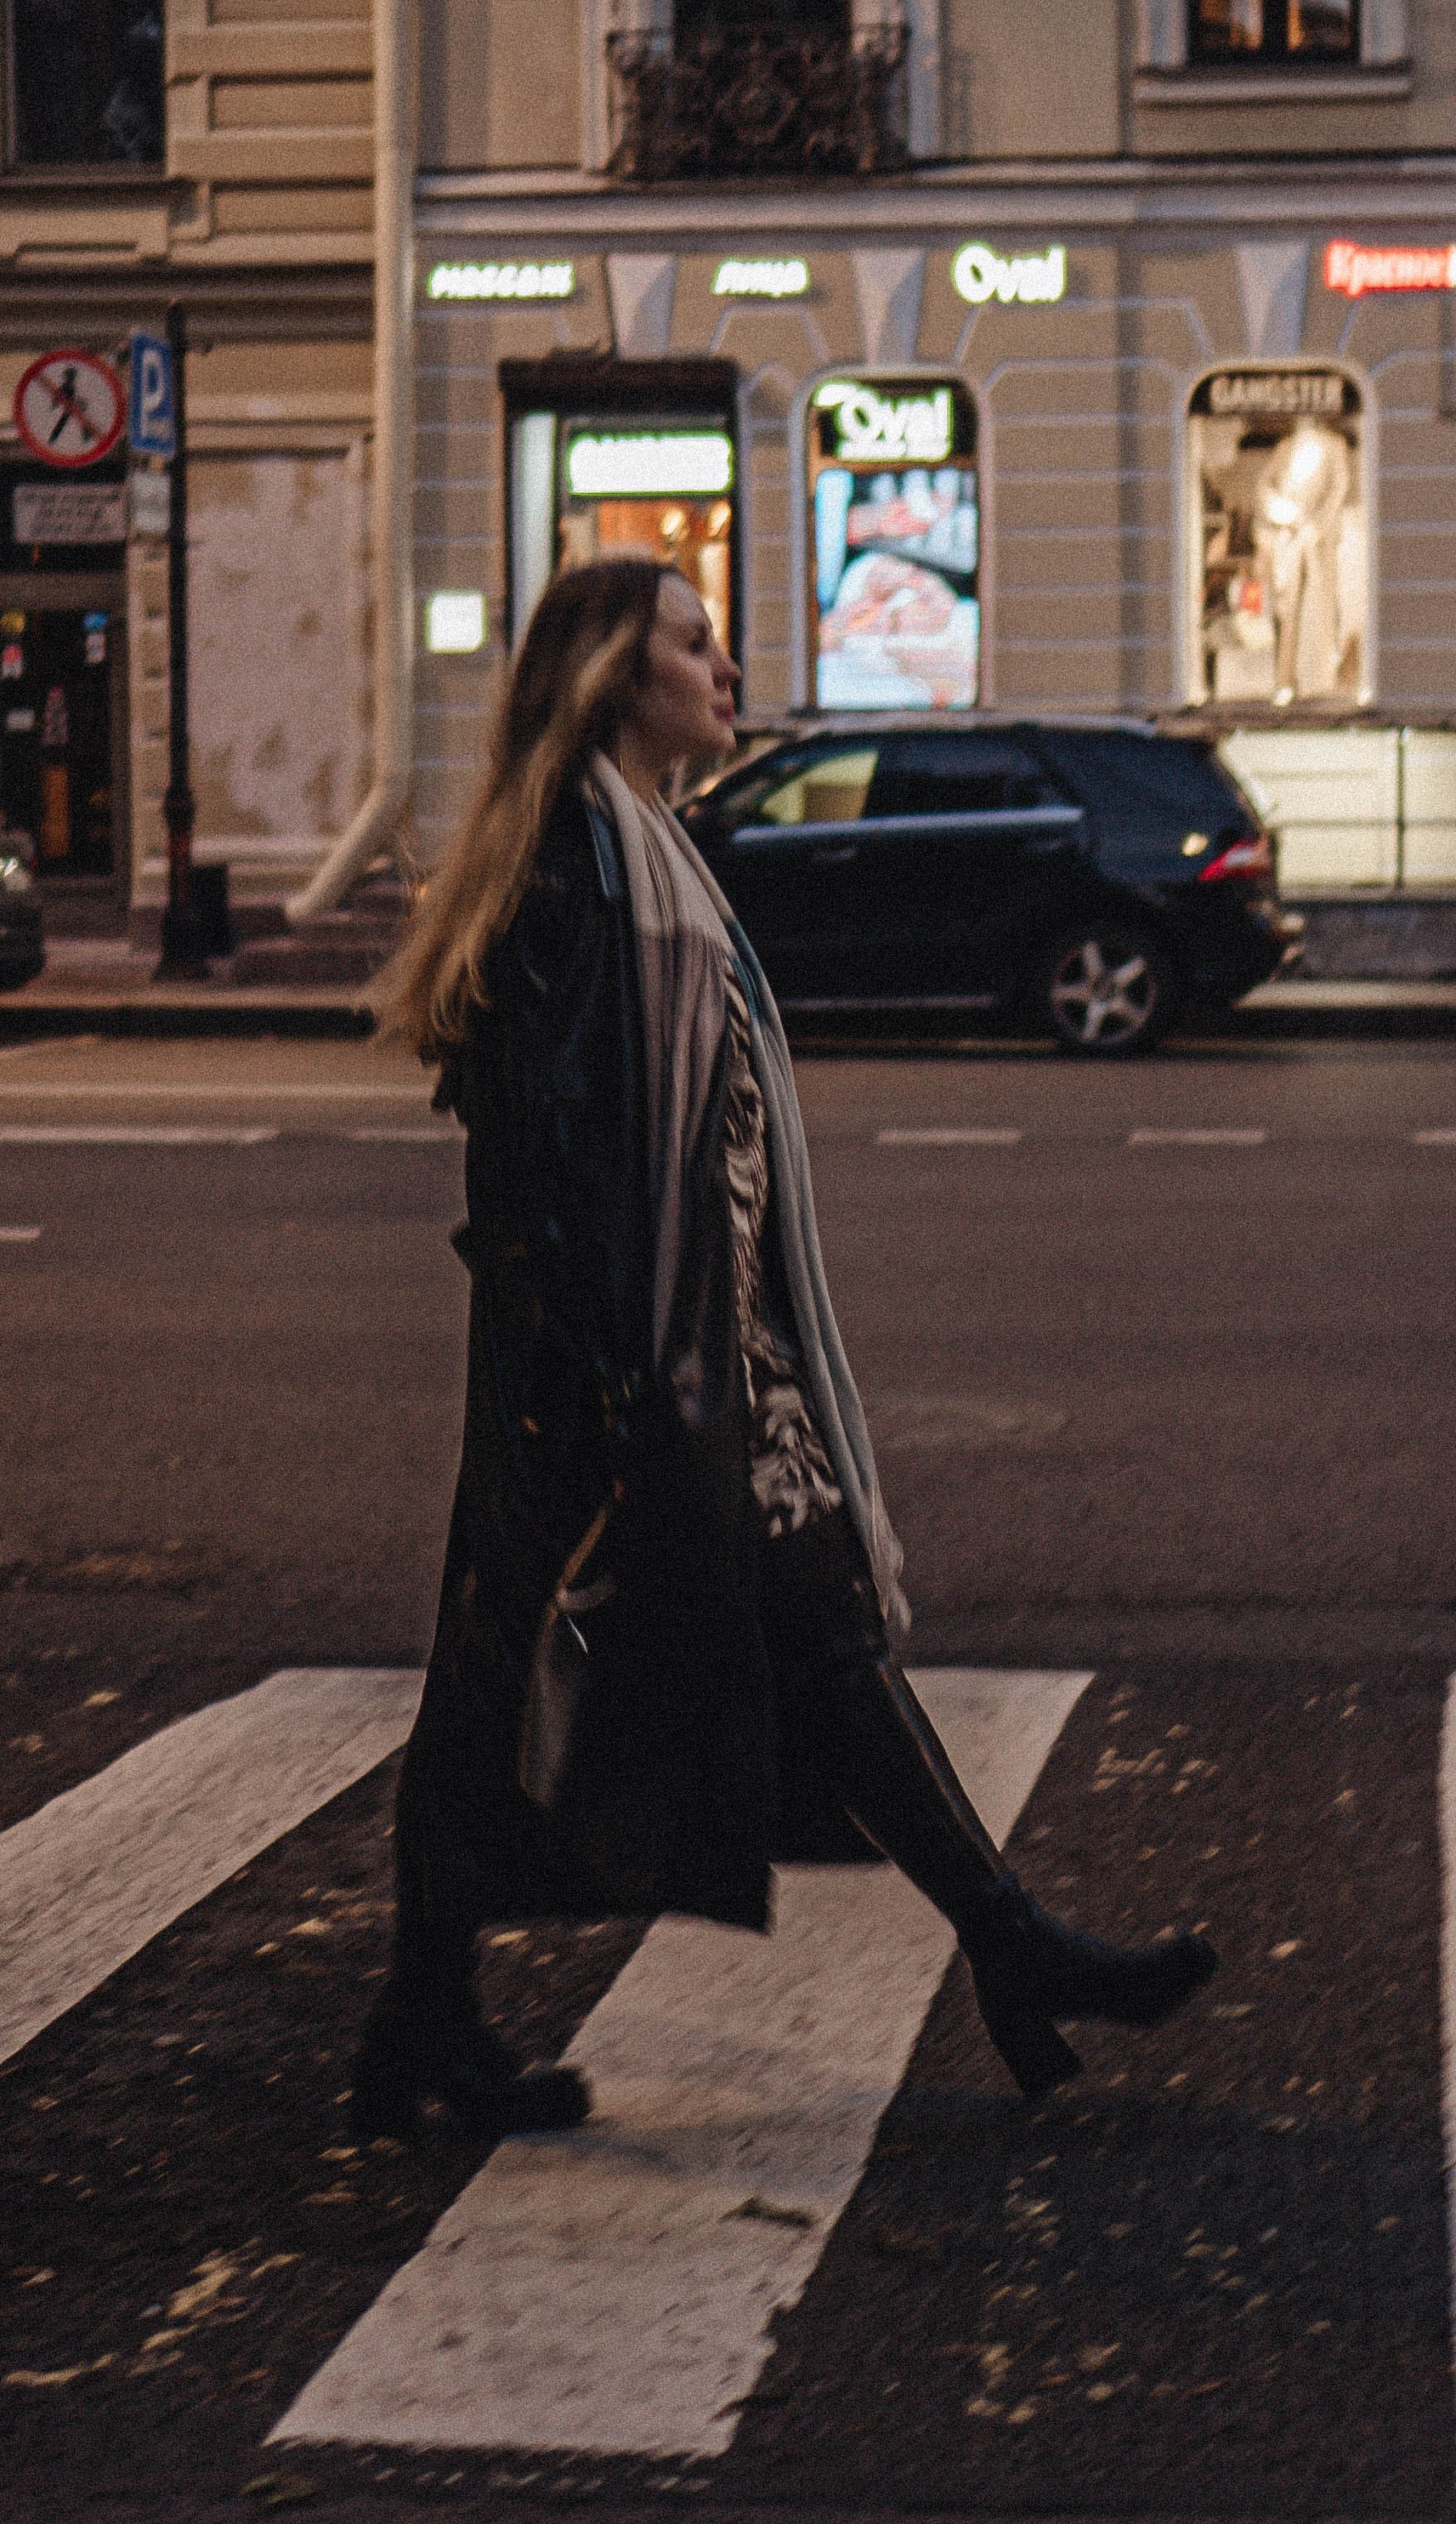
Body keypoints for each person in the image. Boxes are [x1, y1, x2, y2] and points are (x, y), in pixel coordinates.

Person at [358, 555, 1214, 2136]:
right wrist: (627, 1388)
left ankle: (1008, 1944)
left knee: (796, 1642)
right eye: (695, 644)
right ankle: (424, 2024)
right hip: (614, 1372)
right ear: (616, 680)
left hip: (691, 1354)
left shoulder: (642, 852)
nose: (727, 667)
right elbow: (544, 1164)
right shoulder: (576, 870)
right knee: (501, 1676)